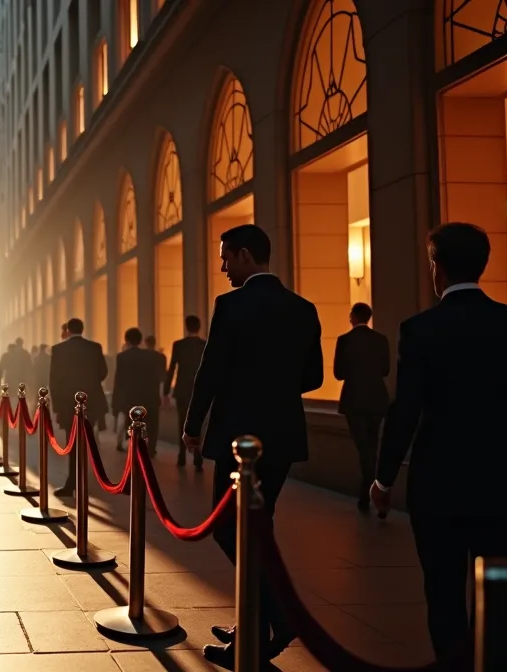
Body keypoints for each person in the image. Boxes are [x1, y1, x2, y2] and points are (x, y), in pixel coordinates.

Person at [371, 222, 507, 669]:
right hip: (500, 483)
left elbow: (405, 414)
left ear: (436, 267)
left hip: (437, 485)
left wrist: (383, 477)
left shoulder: (419, 330)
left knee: (444, 594)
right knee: (493, 592)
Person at [180, 224, 322, 667]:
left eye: (225, 257)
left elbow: (212, 370)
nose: (222, 266)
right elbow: (314, 378)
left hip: (239, 437)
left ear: (244, 255)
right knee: (259, 526)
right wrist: (276, 388)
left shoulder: (231, 305)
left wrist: (192, 423)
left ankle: (276, 617)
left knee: (228, 528)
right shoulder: (303, 308)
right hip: (281, 435)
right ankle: (255, 623)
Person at [333, 302, 389, 513]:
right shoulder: (381, 340)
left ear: (354, 317)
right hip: (376, 398)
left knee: (364, 449)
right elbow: (385, 370)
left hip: (354, 400)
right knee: (372, 446)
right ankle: (374, 494)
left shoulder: (344, 341)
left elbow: (338, 373)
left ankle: (369, 495)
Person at [48, 318, 108, 496]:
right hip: (92, 400)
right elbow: (103, 372)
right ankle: (84, 477)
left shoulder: (58, 350)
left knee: (72, 442)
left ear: (68, 329)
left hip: (68, 403)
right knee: (88, 439)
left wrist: (57, 406)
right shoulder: (95, 347)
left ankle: (73, 480)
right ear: (82, 329)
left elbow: (54, 380)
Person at [166, 315, 207, 470]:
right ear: (199, 327)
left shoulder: (178, 345)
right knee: (198, 422)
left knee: (182, 422)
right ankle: (197, 458)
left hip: (182, 390)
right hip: (200, 390)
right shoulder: (205, 345)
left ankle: (181, 456)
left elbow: (172, 369)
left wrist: (166, 391)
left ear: (186, 327)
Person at [112, 328, 161, 453]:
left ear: (126, 340)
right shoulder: (150, 356)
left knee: (132, 426)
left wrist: (116, 403)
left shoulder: (122, 357)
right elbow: (154, 378)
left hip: (129, 399)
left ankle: (134, 450)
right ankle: (148, 449)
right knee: (148, 425)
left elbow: (119, 381)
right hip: (147, 398)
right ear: (140, 341)